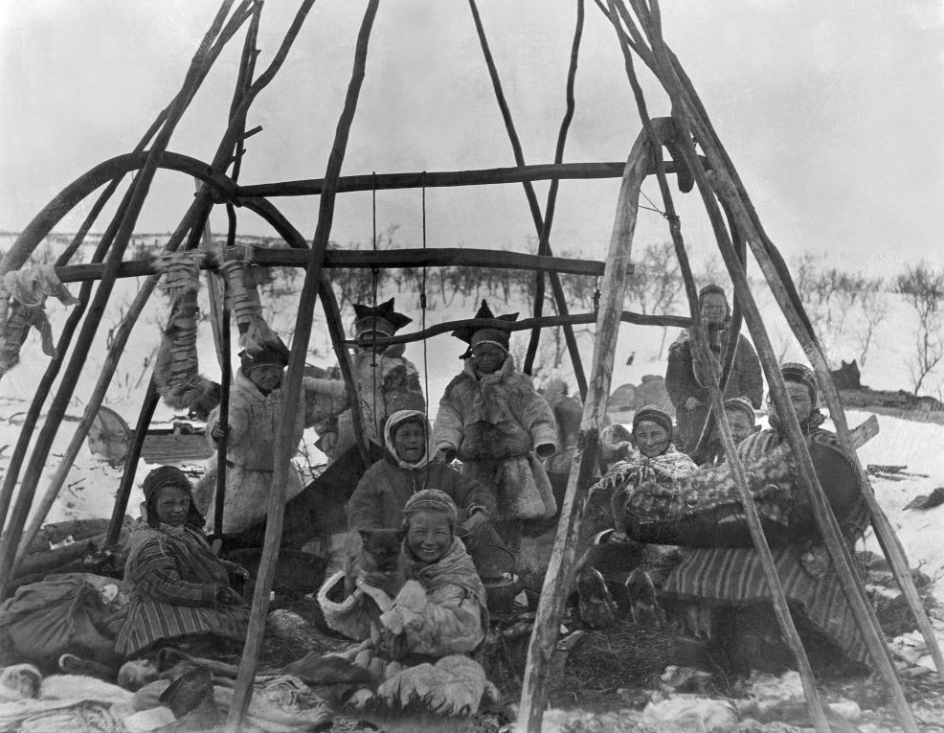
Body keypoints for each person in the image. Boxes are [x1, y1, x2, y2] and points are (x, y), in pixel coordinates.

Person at [617, 363, 871, 673]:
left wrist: (831, 545)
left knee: (784, 585)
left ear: (814, 403)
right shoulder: (752, 444)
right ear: (769, 403)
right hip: (753, 536)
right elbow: (721, 486)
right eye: (779, 398)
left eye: (797, 397)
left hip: (809, 546)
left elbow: (858, 504)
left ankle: (825, 659)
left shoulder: (829, 446)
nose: (787, 405)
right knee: (704, 563)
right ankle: (716, 642)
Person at [192, 334, 349, 549]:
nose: (269, 375)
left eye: (274, 369)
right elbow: (228, 422)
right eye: (262, 370)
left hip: (282, 477)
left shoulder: (293, 393)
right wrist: (221, 432)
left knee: (288, 530)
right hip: (244, 480)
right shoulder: (240, 397)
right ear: (249, 372)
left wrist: (313, 384)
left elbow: (336, 398)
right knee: (235, 533)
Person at [432, 300, 558, 549]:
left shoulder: (516, 384)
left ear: (504, 354)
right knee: (479, 521)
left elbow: (537, 412)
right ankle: (487, 573)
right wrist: (446, 444)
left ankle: (511, 571)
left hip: (514, 470)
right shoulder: (460, 388)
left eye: (493, 353)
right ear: (472, 354)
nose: (486, 359)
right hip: (477, 470)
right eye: (481, 353)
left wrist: (543, 439)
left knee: (511, 525)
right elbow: (448, 417)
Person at [319, 489, 488, 667]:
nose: (429, 541)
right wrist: (350, 586)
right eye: (420, 532)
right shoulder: (395, 561)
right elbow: (362, 628)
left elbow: (462, 635)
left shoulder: (460, 576)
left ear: (452, 533)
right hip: (388, 657)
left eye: (440, 533)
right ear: (405, 533)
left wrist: (402, 591)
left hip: (441, 667)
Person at [575, 406, 698, 628]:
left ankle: (648, 608)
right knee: (595, 554)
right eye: (642, 435)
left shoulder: (686, 468)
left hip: (665, 544)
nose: (649, 442)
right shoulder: (623, 470)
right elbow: (595, 512)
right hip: (627, 543)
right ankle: (597, 604)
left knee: (657, 565)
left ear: (669, 435)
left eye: (655, 435)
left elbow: (696, 511)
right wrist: (608, 534)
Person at [109, 467, 250, 659]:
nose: (178, 509)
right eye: (169, 503)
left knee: (238, 624)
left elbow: (198, 559)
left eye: (184, 502)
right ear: (152, 505)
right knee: (199, 630)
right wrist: (212, 593)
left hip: (188, 598)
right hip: (159, 605)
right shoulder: (152, 542)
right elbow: (166, 587)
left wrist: (229, 568)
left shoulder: (186, 530)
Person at [346, 409, 505, 566]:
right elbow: (361, 513)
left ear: (427, 438)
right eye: (405, 435)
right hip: (398, 552)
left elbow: (474, 490)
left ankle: (507, 578)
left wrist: (478, 515)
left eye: (418, 434)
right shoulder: (377, 474)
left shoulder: (439, 469)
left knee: (484, 530)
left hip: (440, 547)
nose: (413, 440)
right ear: (392, 440)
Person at [315, 298, 425, 462]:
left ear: (389, 339)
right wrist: (326, 431)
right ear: (359, 338)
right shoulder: (344, 365)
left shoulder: (400, 368)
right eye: (367, 336)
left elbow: (411, 407)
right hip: (346, 446)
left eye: (379, 337)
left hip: (390, 448)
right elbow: (326, 403)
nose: (372, 342)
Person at [665, 284, 763, 457]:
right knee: (697, 454)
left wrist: (749, 397)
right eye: (709, 306)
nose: (715, 311)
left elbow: (753, 373)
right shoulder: (684, 343)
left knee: (735, 452)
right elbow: (673, 381)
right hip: (697, 413)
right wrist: (684, 399)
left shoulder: (738, 340)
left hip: (731, 412)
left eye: (720, 306)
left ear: (727, 308)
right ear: (699, 310)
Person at [700, 396, 758, 465]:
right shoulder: (708, 452)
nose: (731, 432)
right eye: (726, 427)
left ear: (752, 431)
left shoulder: (756, 458)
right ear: (717, 429)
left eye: (739, 427)